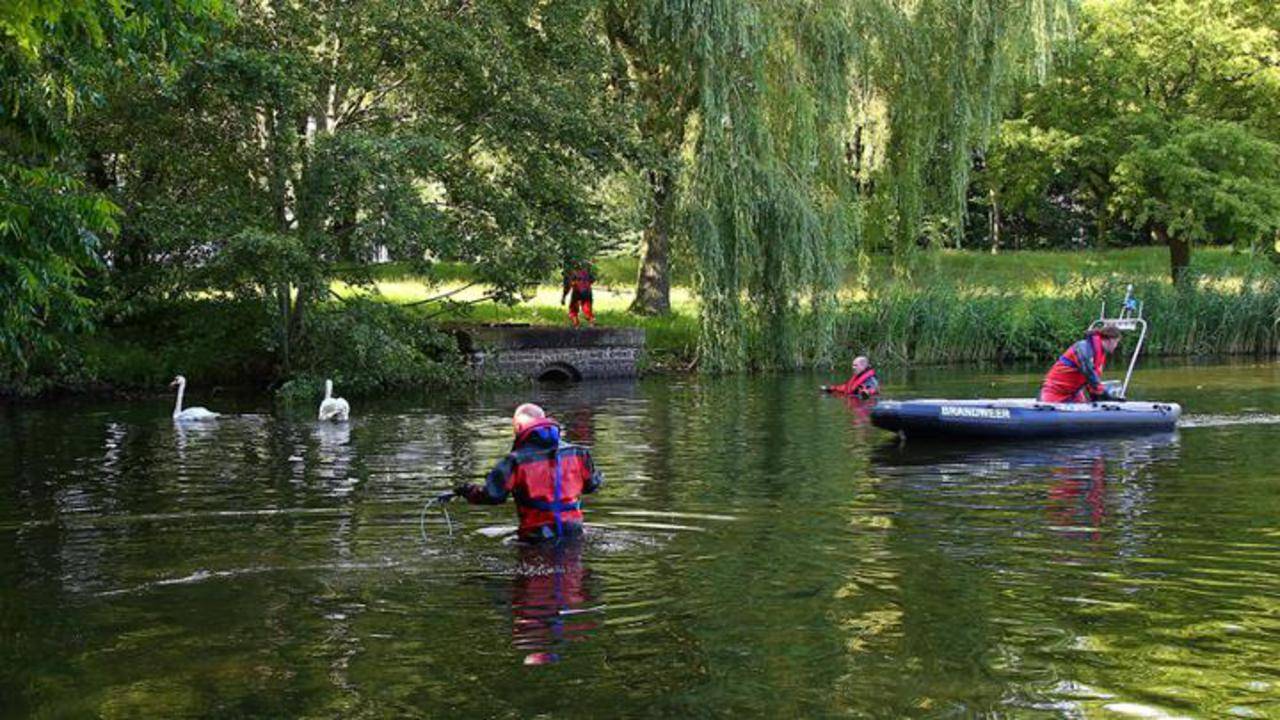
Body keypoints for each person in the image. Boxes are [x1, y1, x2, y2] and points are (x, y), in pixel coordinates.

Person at [455, 403, 603, 542]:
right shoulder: (578, 453)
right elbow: (592, 485)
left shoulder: (515, 461)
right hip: (574, 531)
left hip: (535, 536)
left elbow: (493, 496)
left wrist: (468, 491)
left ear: (519, 427)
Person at [1039, 324, 1122, 403]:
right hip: (1054, 393)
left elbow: (1092, 381)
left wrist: (1099, 396)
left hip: (1073, 394)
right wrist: (1103, 392)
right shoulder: (1083, 348)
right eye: (1116, 342)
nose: (1116, 345)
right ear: (1110, 340)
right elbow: (1088, 372)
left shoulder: (1100, 354)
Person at [561, 263, 596, 328]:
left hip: (577, 292)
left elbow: (567, 287)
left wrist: (563, 297)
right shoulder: (586, 272)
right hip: (587, 292)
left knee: (573, 310)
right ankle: (591, 323)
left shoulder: (570, 274)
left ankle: (576, 325)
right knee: (587, 310)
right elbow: (592, 280)